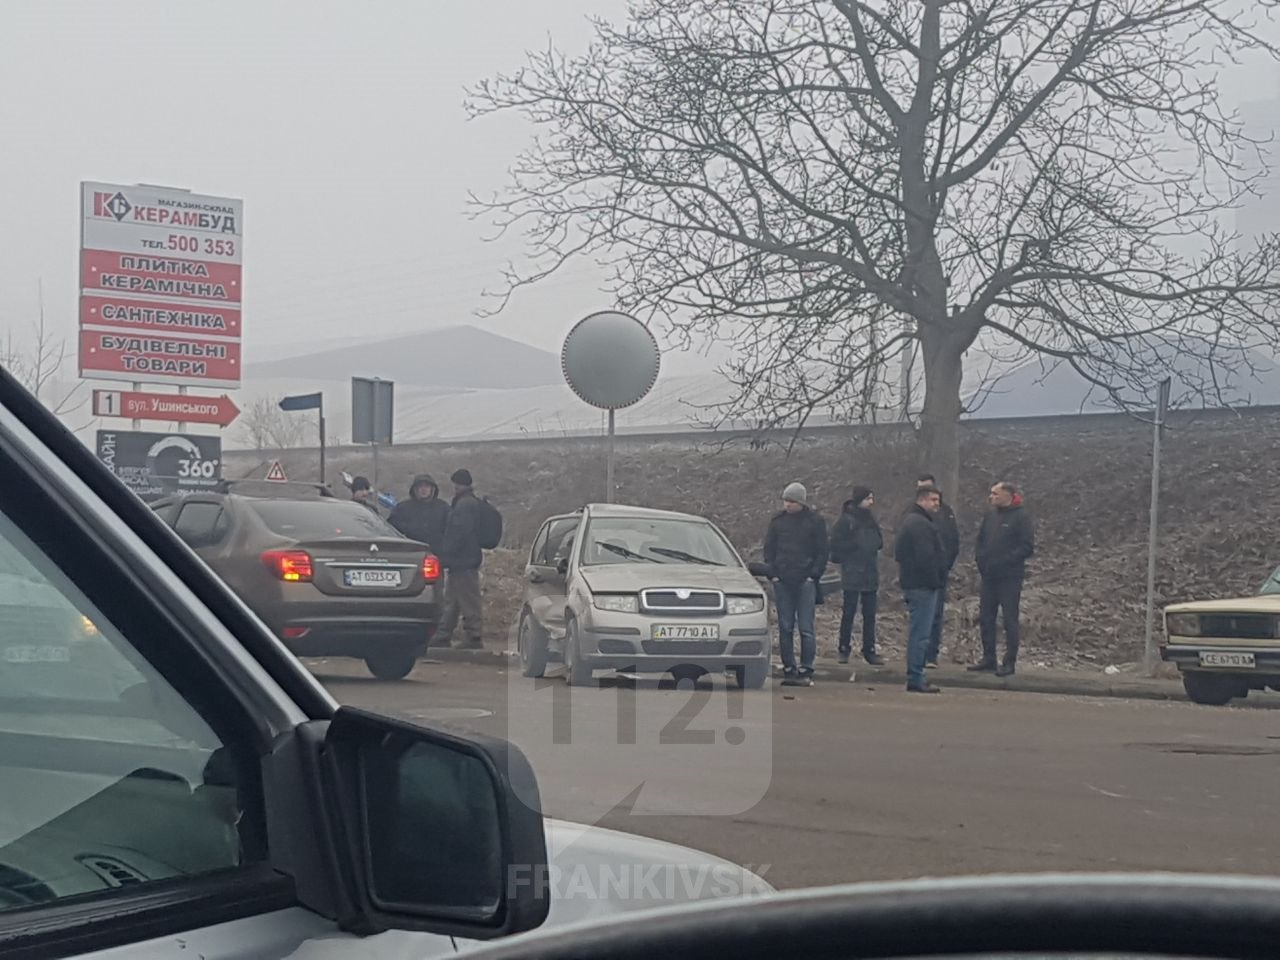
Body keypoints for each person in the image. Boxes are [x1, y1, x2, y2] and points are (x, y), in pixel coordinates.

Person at [763, 482, 828, 687]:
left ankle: (806, 668)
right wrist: (773, 575)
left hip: (805, 581)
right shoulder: (777, 521)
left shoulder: (815, 522)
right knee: (785, 627)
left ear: (801, 502)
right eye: (786, 500)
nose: (787, 504)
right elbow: (769, 549)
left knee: (806, 628)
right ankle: (789, 668)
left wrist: (813, 575)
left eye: (791, 501)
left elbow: (822, 551)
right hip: (782, 581)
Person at [972, 481, 1035, 677]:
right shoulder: (990, 515)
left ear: (1008, 495)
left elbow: (1026, 547)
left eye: (995, 494)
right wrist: (981, 560)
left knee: (1009, 619)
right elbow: (981, 540)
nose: (991, 497)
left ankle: (1009, 661)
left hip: (1010, 577)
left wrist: (1004, 561)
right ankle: (988, 658)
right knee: (986, 617)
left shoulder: (1021, 517)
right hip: (989, 575)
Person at [894, 484, 946, 694]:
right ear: (922, 499)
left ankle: (916, 675)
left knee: (920, 631)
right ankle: (916, 676)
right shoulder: (919, 524)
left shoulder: (912, 520)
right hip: (922, 585)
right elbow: (926, 557)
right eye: (933, 500)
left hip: (914, 582)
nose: (937, 504)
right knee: (921, 633)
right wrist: (935, 579)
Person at [829, 485, 883, 666]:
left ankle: (869, 649)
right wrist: (854, 546)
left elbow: (879, 542)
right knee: (849, 612)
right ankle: (843, 648)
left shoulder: (871, 519)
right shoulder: (846, 521)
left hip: (870, 571)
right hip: (852, 571)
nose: (871, 502)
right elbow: (835, 546)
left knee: (870, 615)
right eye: (868, 498)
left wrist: (871, 545)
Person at [437, 468, 485, 650]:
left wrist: (447, 552)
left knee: (466, 599)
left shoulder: (464, 505)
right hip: (464, 560)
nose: (455, 487)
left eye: (456, 483)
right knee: (454, 599)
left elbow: (458, 532)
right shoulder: (470, 502)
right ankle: (444, 634)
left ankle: (473, 636)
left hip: (463, 560)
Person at [916, 473, 960, 668]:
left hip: (939, 571)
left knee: (936, 614)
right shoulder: (912, 514)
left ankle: (931, 654)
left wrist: (945, 565)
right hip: (918, 574)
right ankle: (917, 654)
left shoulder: (946, 513)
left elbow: (953, 540)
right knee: (920, 616)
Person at [388, 474, 451, 552]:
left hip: (436, 553)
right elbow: (391, 528)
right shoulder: (402, 508)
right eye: (420, 486)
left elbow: (451, 530)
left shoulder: (443, 507)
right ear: (415, 489)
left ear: (432, 489)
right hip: (410, 552)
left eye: (427, 486)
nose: (423, 489)